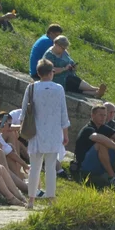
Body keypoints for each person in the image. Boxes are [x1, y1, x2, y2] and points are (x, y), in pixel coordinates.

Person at [23, 59, 70, 208]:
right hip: (54, 132)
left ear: (38, 73)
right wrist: (65, 133)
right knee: (50, 167)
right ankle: (51, 198)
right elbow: (63, 113)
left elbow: (24, 111)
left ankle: (31, 199)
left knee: (34, 167)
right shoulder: (59, 89)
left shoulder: (31, 88)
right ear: (52, 72)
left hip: (35, 132)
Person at [74, 105, 115, 187]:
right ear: (93, 115)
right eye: (100, 115)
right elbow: (99, 138)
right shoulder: (88, 129)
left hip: (99, 162)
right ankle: (112, 177)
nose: (103, 117)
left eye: (105, 115)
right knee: (100, 145)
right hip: (85, 165)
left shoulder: (103, 127)